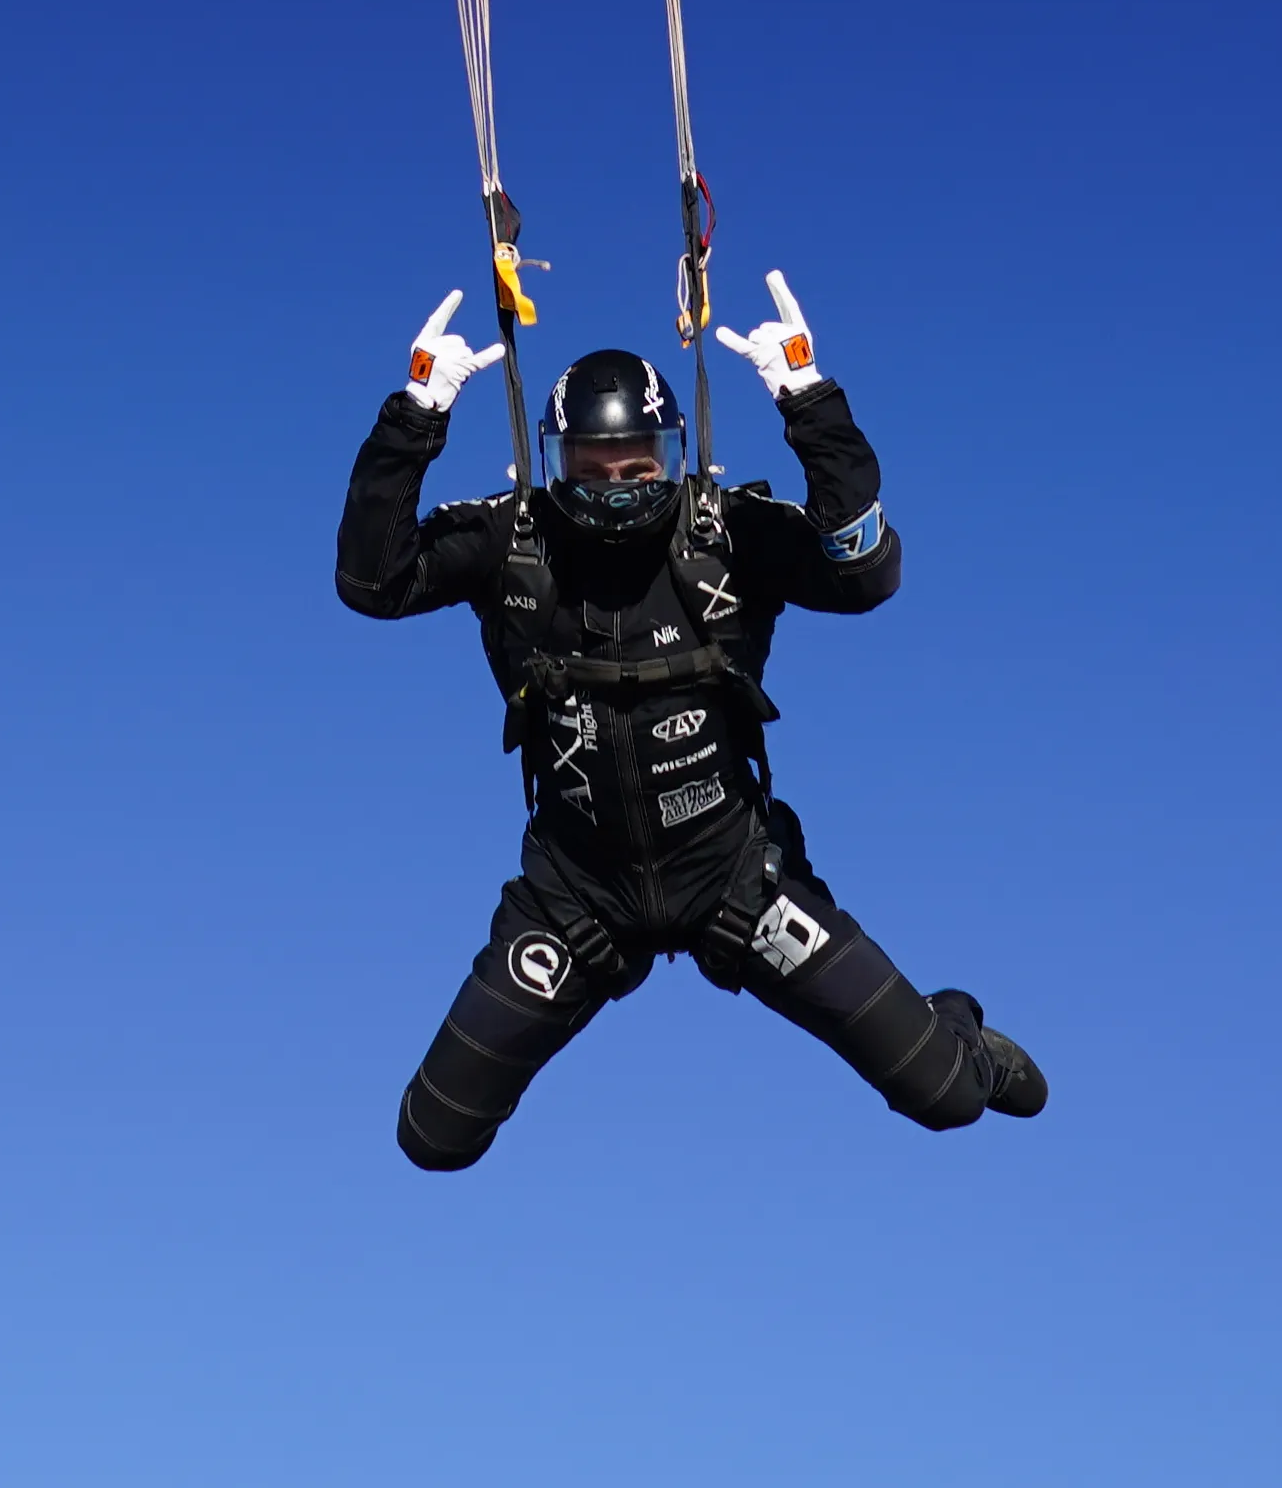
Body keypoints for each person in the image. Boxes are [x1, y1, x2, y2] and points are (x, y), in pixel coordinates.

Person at [338, 269, 1046, 1169]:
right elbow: (371, 581)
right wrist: (415, 417)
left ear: (672, 456)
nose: (621, 492)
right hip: (574, 898)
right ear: (555, 466)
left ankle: (964, 1034)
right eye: (593, 477)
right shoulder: (512, 540)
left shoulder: (724, 530)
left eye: (641, 470)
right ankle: (606, 969)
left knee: (943, 1097)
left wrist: (811, 403)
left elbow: (865, 571)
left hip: (735, 885)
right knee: (431, 1137)